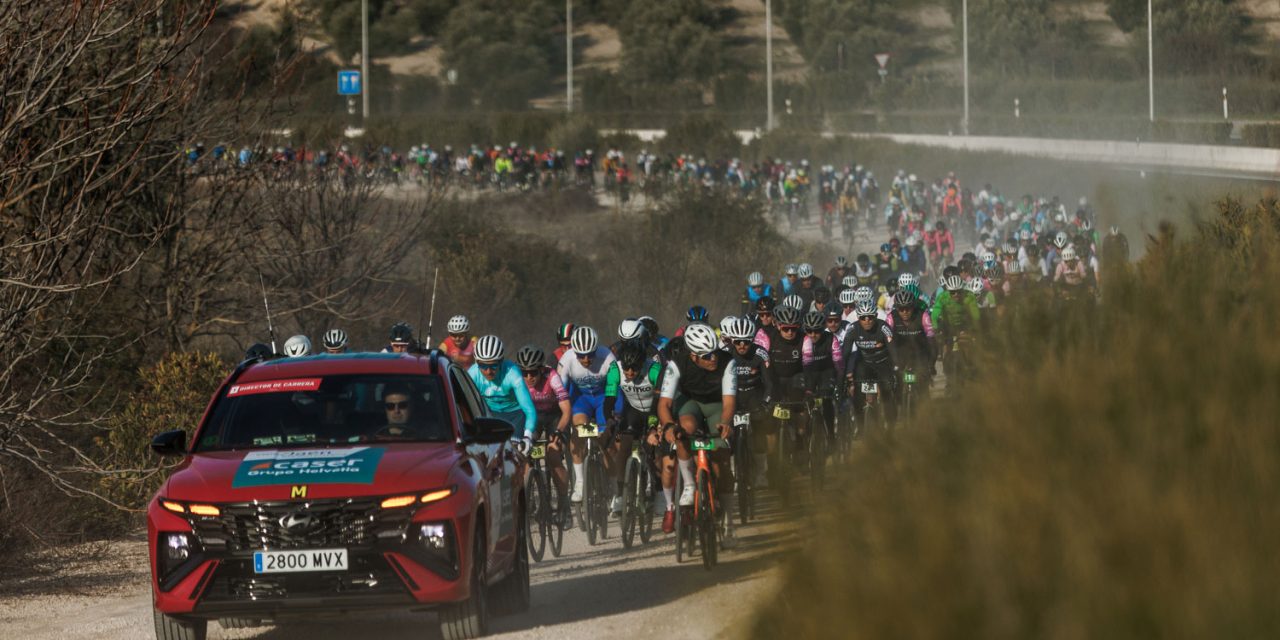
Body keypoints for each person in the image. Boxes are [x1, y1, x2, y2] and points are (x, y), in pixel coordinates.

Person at [656, 323, 739, 547]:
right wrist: (669, 426)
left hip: (716, 405)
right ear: (693, 356)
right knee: (685, 430)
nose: (713, 358)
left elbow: (729, 402)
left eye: (714, 353)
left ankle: (729, 525)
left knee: (721, 459)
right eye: (706, 356)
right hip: (691, 403)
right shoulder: (677, 364)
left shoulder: (727, 361)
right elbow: (664, 404)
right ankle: (691, 484)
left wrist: (725, 422)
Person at [557, 326, 617, 503]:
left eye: (590, 355)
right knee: (579, 431)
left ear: (596, 349)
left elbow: (615, 390)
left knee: (606, 442)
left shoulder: (608, 357)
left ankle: (614, 487)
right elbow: (562, 391)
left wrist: (613, 416)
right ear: (574, 352)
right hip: (581, 400)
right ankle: (580, 482)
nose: (585, 359)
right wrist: (564, 416)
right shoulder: (567, 359)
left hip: (603, 399)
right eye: (581, 356)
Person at [604, 341, 662, 516]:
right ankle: (620, 496)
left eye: (634, 369)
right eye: (627, 368)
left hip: (655, 408)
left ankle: (660, 494)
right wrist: (609, 419)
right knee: (624, 446)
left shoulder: (654, 369)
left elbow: (660, 401)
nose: (630, 373)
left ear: (642, 363)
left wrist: (653, 427)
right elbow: (609, 399)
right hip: (633, 410)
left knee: (656, 451)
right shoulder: (615, 369)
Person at [517, 345, 572, 501]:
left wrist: (559, 432)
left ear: (541, 369)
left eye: (533, 372)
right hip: (534, 417)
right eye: (524, 373)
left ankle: (563, 502)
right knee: (524, 453)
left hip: (555, 416)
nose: (529, 377)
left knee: (553, 454)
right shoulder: (518, 379)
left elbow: (567, 410)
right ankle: (529, 499)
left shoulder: (552, 376)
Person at [724, 317, 773, 490]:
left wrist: (766, 404)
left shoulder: (761, 354)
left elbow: (769, 384)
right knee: (726, 435)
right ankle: (732, 471)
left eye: (746, 342)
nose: (742, 346)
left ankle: (761, 472)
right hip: (733, 397)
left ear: (752, 340)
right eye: (738, 342)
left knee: (759, 431)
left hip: (754, 395)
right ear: (732, 340)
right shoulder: (725, 354)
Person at [467, 335, 536, 453]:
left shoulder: (512, 373)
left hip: (515, 416)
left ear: (501, 361)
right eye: (483, 366)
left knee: (515, 454)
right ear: (477, 362)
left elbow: (529, 410)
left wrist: (528, 436)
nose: (488, 371)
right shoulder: (472, 374)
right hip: (491, 416)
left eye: (493, 365)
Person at [841, 301, 897, 422]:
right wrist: (842, 372)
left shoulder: (883, 327)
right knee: (857, 396)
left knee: (887, 392)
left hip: (883, 363)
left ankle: (891, 426)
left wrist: (897, 367)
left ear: (875, 316)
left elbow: (893, 349)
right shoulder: (852, 328)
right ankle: (861, 426)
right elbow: (845, 353)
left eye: (870, 317)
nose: (867, 320)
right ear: (858, 318)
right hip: (864, 364)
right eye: (863, 317)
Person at [801, 310, 843, 442]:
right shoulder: (804, 340)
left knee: (826, 401)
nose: (813, 335)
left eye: (817, 331)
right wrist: (808, 389)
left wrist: (840, 382)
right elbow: (805, 365)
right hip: (809, 373)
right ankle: (805, 437)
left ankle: (831, 435)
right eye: (809, 331)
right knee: (806, 401)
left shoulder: (831, 338)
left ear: (822, 328)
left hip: (827, 371)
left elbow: (838, 363)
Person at [887, 289, 936, 390]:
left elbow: (931, 340)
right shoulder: (891, 317)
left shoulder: (923, 316)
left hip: (920, 353)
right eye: (901, 309)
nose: (905, 312)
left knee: (922, 382)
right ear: (897, 308)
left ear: (913, 307)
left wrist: (931, 364)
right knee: (894, 384)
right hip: (900, 354)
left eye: (908, 308)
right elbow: (886, 338)